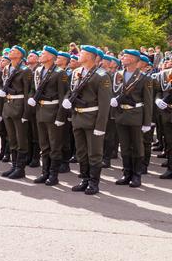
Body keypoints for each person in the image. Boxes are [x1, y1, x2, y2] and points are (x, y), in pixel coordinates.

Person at [59, 45, 111, 195]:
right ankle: (85, 180)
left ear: (90, 56)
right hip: (77, 117)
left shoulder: (101, 75)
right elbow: (71, 90)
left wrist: (100, 126)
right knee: (81, 151)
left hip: (93, 119)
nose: (79, 55)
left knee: (94, 153)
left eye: (82, 53)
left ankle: (94, 183)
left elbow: (104, 104)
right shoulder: (76, 72)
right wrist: (67, 100)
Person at [110, 50, 152, 188]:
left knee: (137, 146)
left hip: (136, 115)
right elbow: (115, 92)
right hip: (121, 114)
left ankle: (137, 175)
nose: (123, 58)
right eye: (123, 56)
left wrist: (147, 122)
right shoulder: (118, 74)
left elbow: (148, 101)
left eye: (126, 56)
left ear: (134, 59)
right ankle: (126, 173)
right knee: (125, 146)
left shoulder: (144, 77)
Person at [30, 46, 69, 185]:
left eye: (44, 53)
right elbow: (33, 89)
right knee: (44, 145)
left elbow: (63, 95)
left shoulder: (60, 73)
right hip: (40, 110)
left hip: (53, 112)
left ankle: (53, 175)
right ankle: (44, 172)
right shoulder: (39, 70)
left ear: (52, 57)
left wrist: (60, 117)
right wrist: (31, 97)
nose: (41, 55)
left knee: (55, 145)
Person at [0, 45, 32, 179]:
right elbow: (3, 84)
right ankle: (14, 166)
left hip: (19, 106)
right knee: (12, 138)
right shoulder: (6, 68)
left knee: (21, 138)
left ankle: (20, 168)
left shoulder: (25, 70)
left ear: (20, 55)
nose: (10, 51)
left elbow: (27, 92)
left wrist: (25, 113)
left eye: (13, 50)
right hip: (8, 106)